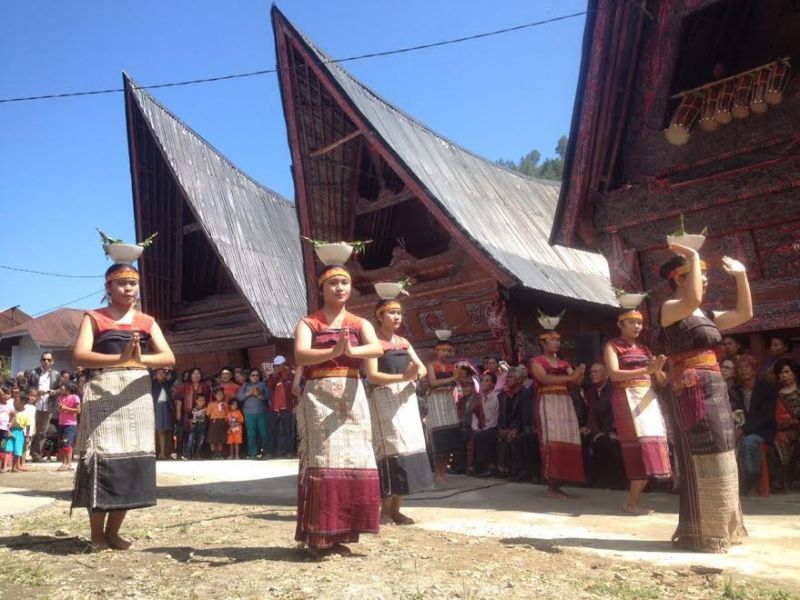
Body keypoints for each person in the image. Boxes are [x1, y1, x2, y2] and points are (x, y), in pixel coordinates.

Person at [72, 263, 175, 551]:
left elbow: (168, 357)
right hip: (104, 392)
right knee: (103, 460)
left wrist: (138, 360)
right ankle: (96, 535)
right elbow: (80, 355)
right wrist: (120, 359)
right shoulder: (93, 318)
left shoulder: (146, 321)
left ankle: (114, 532)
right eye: (121, 283)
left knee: (130, 461)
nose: (128, 288)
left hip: (136, 396)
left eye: (132, 282)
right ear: (108, 288)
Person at [659, 244, 752, 552]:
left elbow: (744, 314)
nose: (705, 279)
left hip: (715, 386)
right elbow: (694, 297)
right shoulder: (671, 308)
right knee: (702, 454)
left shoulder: (707, 315)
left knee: (724, 452)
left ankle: (726, 527)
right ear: (678, 278)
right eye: (697, 273)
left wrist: (741, 277)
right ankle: (702, 532)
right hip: (691, 391)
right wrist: (695, 256)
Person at [293, 257, 383, 559]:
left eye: (344, 282)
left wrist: (351, 350)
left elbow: (377, 348)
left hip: (352, 393)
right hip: (319, 395)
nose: (340, 287)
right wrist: (333, 350)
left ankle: (343, 531)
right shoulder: (309, 322)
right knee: (323, 458)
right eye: (333, 282)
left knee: (355, 460)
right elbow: (301, 356)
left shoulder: (360, 323)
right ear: (322, 289)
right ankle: (318, 536)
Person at [365, 297, 432, 525]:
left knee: (408, 447)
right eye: (391, 312)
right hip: (384, 398)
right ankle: (384, 510)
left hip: (406, 399)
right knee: (390, 448)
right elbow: (372, 375)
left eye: (399, 313)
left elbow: (421, 367)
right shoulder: (373, 342)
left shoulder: (403, 342)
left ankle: (397, 509)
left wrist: (415, 375)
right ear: (379, 316)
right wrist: (402, 377)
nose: (396, 317)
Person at [603, 309, 672, 514]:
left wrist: (658, 369)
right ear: (620, 325)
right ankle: (632, 503)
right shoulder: (612, 345)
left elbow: (661, 381)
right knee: (636, 449)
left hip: (647, 398)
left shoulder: (644, 348)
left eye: (639, 323)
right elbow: (614, 375)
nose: (636, 326)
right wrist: (646, 370)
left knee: (651, 446)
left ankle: (633, 501)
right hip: (625, 398)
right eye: (631, 322)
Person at [530, 330, 585, 499]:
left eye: (558, 340)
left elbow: (576, 382)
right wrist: (572, 377)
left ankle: (560, 483)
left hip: (564, 402)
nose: (556, 343)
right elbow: (545, 379)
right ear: (543, 343)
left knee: (567, 438)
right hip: (547, 401)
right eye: (552, 340)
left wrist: (580, 373)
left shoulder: (563, 363)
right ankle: (551, 486)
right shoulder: (536, 361)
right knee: (550, 439)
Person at [730, 354, 778, 495]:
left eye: (747, 367)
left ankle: (752, 480)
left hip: (763, 430)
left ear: (754, 370)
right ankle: (736, 483)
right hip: (743, 428)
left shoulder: (766, 388)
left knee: (749, 443)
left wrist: (744, 430)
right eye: (740, 368)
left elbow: (765, 415)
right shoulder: (736, 390)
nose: (743, 370)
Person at [583, 363, 626, 490]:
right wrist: (593, 430)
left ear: (607, 374)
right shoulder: (591, 392)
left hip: (613, 430)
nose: (592, 374)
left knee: (607, 443)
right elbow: (590, 414)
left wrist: (609, 431)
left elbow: (616, 413)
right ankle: (589, 480)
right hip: (597, 430)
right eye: (591, 372)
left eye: (596, 371)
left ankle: (613, 482)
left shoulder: (614, 390)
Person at [425, 339, 462, 483]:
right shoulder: (431, 365)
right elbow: (433, 383)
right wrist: (453, 378)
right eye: (443, 350)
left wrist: (460, 378)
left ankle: (443, 472)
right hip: (435, 400)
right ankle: (437, 473)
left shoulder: (453, 367)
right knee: (439, 436)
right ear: (437, 351)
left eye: (448, 350)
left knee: (449, 436)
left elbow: (457, 383)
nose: (446, 353)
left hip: (448, 400)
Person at [497, 365, 538, 482]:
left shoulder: (525, 394)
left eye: (510, 377)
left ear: (519, 380)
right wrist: (501, 428)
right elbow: (501, 415)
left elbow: (524, 415)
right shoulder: (504, 396)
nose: (507, 380)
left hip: (522, 427)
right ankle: (505, 469)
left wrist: (515, 428)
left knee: (518, 438)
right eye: (507, 377)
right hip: (507, 427)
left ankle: (522, 471)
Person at [27, 352, 60, 463]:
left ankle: (36, 454)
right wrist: (36, 392)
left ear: (52, 361)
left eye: (49, 360)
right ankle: (18, 455)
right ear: (40, 360)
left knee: (42, 431)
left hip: (47, 405)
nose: (46, 361)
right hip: (32, 405)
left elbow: (61, 388)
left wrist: (55, 392)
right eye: (44, 359)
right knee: (28, 430)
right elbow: (25, 387)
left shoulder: (56, 374)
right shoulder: (32, 372)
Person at [773, 358, 800, 488]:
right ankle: (783, 478)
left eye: (787, 372)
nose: (784, 376)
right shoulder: (777, 394)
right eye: (781, 373)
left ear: (794, 373)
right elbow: (777, 416)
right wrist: (789, 421)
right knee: (780, 439)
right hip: (787, 429)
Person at [175, 369, 211, 459]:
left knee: (201, 435)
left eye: (198, 373)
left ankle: (198, 454)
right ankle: (186, 454)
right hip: (187, 414)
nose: (196, 375)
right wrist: (178, 413)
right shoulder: (184, 386)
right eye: (194, 374)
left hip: (202, 414)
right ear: (190, 376)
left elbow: (209, 400)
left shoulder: (205, 386)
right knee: (188, 434)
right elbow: (179, 400)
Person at [266, 357, 297, 457]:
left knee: (289, 431)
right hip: (274, 408)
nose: (278, 367)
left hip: (287, 408)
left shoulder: (291, 375)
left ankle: (288, 452)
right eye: (276, 365)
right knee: (272, 431)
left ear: (284, 365)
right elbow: (269, 386)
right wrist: (275, 374)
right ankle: (271, 452)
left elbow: (294, 390)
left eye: (279, 365)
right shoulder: (272, 376)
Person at [472, 372, 500, 477]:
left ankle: (490, 467)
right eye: (482, 380)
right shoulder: (481, 399)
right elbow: (475, 416)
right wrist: (476, 428)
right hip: (482, 427)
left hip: (494, 427)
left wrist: (483, 430)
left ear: (493, 384)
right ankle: (475, 466)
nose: (483, 383)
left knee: (485, 435)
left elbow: (494, 418)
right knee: (473, 433)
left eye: (487, 381)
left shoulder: (496, 398)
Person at [237, 368, 269, 459]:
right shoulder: (245, 385)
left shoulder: (263, 384)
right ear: (249, 377)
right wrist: (249, 393)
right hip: (249, 413)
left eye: (257, 375)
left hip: (262, 412)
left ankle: (266, 452)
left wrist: (258, 395)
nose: (255, 377)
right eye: (253, 375)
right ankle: (252, 453)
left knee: (264, 433)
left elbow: (268, 396)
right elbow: (239, 397)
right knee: (251, 433)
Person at [56, 382, 81, 471]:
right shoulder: (60, 397)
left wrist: (66, 408)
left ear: (68, 388)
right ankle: (64, 462)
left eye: (63, 388)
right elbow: (58, 409)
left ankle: (68, 463)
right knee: (62, 443)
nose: (61, 389)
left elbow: (78, 410)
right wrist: (60, 408)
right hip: (61, 423)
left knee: (67, 443)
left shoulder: (75, 397)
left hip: (70, 424)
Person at [152, 368, 174, 460]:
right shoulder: (152, 384)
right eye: (159, 373)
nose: (161, 374)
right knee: (158, 430)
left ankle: (163, 453)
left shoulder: (167, 384)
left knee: (165, 431)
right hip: (156, 407)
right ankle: (158, 452)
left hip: (166, 408)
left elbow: (174, 375)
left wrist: (168, 369)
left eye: (163, 373)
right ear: (155, 375)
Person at [9, 393, 31, 472]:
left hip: (20, 432)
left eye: (16, 400)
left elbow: (28, 425)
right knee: (8, 449)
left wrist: (27, 437)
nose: (14, 401)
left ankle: (14, 467)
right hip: (10, 431)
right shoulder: (12, 411)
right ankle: (7, 466)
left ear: (23, 401)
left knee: (18, 450)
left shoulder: (26, 413)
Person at [206, 388, 229, 460]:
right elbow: (208, 414)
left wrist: (224, 408)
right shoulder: (211, 404)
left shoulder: (225, 403)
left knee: (220, 439)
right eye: (218, 394)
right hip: (214, 421)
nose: (220, 396)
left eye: (221, 394)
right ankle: (213, 453)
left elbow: (228, 413)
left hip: (222, 421)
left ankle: (219, 453)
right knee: (212, 439)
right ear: (215, 395)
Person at [186, 393, 208, 459]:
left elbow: (207, 418)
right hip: (194, 426)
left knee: (200, 442)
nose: (202, 402)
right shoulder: (193, 409)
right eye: (200, 400)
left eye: (203, 400)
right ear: (196, 401)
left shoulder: (205, 409)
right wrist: (191, 424)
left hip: (202, 427)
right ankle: (188, 455)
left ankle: (197, 455)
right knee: (190, 440)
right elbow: (189, 418)